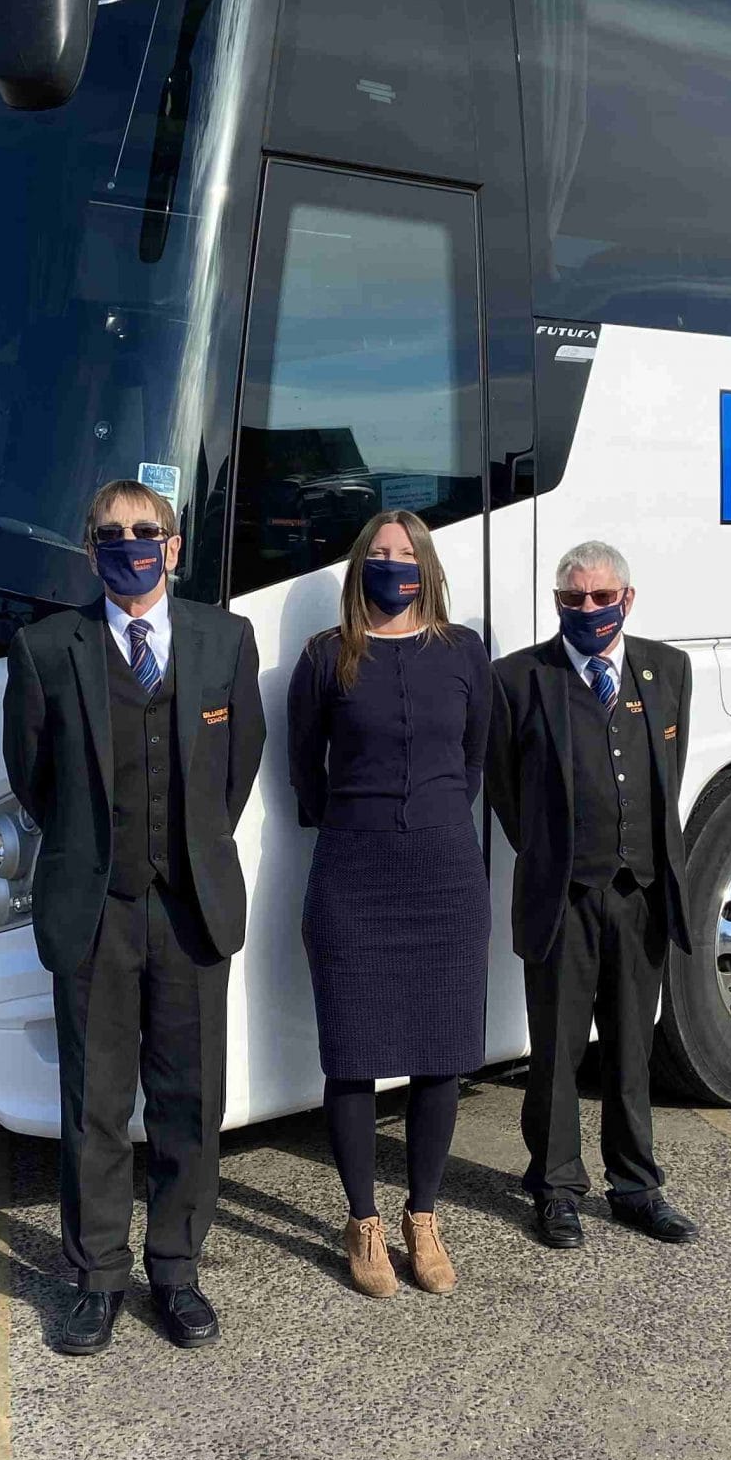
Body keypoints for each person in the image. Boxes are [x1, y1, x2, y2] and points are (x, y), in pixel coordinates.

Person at [2, 480, 266, 1355]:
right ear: (90, 550)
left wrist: (186, 848)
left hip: (192, 907)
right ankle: (97, 1277)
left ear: (175, 545)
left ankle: (178, 1270)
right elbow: (33, 778)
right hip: (94, 909)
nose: (130, 544)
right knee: (96, 1106)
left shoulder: (225, 640)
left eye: (145, 531)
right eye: (111, 533)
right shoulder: (46, 648)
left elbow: (238, 767)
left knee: (192, 1101)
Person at [286, 512, 492, 1297]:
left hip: (444, 872)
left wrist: (434, 815)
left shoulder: (465, 652)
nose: (392, 566)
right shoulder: (325, 657)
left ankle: (424, 1217)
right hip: (353, 873)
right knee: (353, 1054)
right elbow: (304, 764)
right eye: (377, 554)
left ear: (428, 568)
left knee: (442, 1052)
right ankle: (363, 1223)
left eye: (406, 555)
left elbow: (474, 758)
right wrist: (358, 818)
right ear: (357, 568)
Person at [488, 540, 700, 1250]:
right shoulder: (518, 679)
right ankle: (555, 1189)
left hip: (640, 892)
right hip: (562, 897)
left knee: (632, 1049)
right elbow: (506, 792)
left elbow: (667, 767)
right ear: (558, 603)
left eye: (602, 597)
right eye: (574, 598)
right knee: (554, 1052)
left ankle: (637, 1186)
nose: (589, 609)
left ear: (626, 600)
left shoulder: (667, 670)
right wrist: (556, 855)